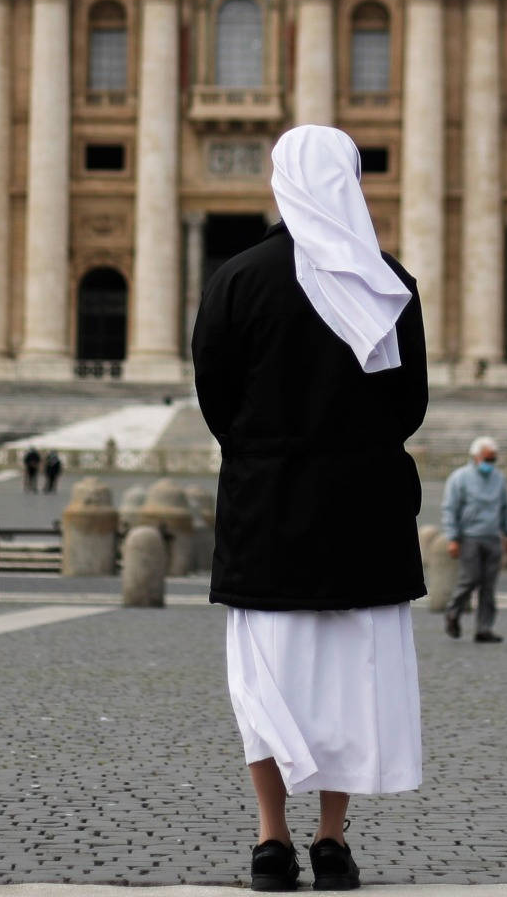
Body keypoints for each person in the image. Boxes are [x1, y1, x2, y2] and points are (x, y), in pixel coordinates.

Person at [194, 124, 427, 894]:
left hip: (267, 513)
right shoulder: (387, 281)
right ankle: (331, 840)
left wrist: (263, 450)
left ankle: (270, 841)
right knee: (351, 688)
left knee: (267, 688)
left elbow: (214, 396)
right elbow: (410, 405)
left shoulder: (237, 279)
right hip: (362, 516)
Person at [441, 436, 507, 644]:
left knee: (489, 587)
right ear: (476, 457)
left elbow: (505, 508)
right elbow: (450, 509)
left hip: (492, 537)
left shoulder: (499, 479)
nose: (490, 464)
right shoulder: (459, 478)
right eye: (487, 459)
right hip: (470, 537)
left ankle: (484, 627)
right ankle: (453, 612)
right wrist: (453, 537)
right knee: (470, 579)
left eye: (493, 459)